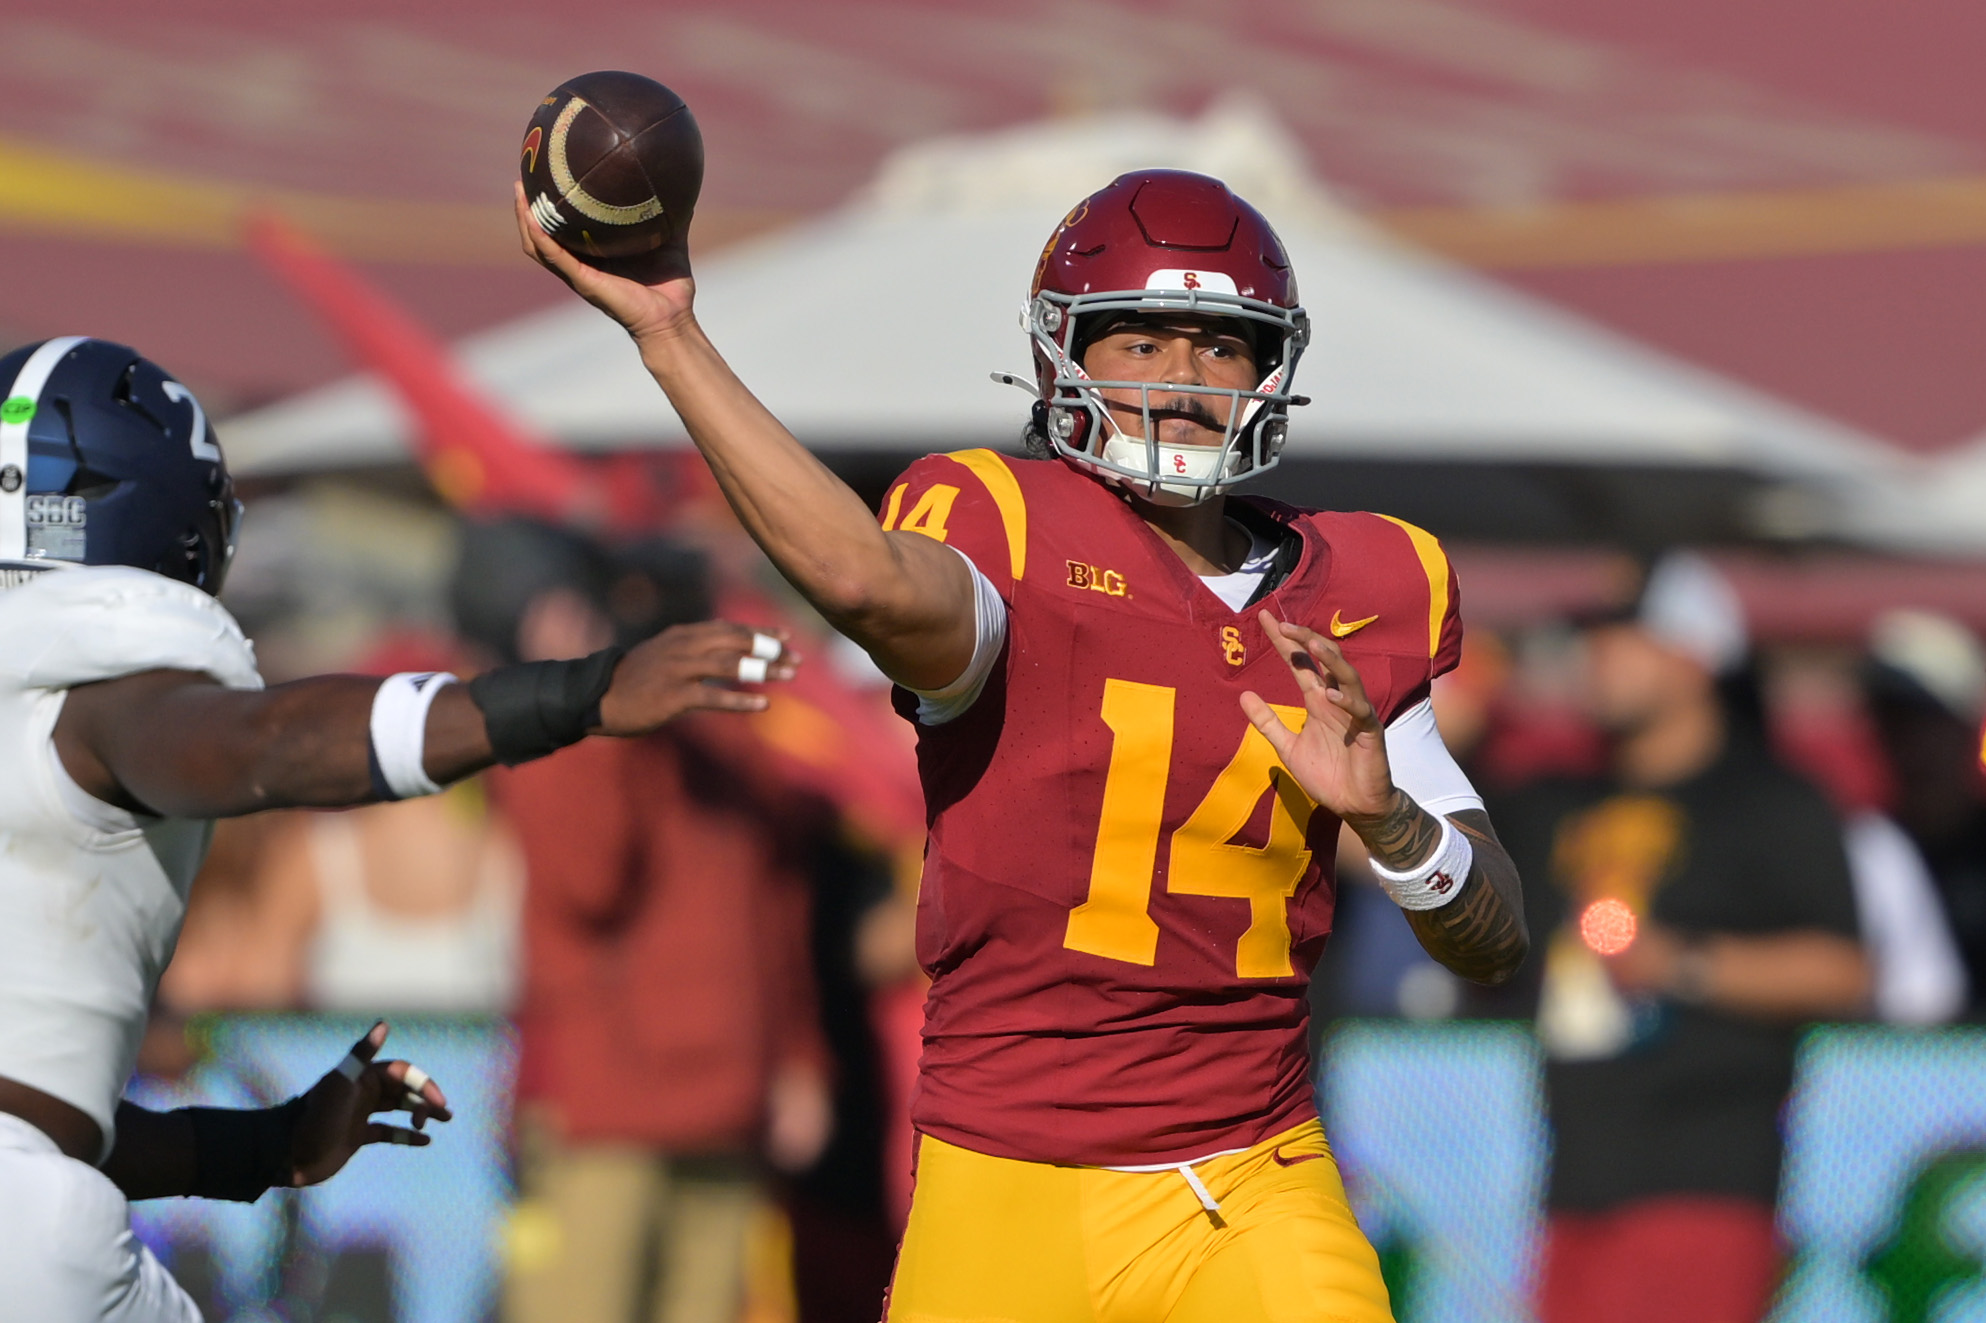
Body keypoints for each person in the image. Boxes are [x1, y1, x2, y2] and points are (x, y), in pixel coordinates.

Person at [518, 169, 1528, 1321]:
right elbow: (861, 577)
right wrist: (670, 337)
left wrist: (1392, 824)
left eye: (1220, 346)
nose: (1184, 383)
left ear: (1271, 369)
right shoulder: (1002, 524)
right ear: (1064, 357)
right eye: (1139, 343)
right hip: (1007, 1180)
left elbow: (1491, 939)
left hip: (1254, 1177)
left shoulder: (1368, 584)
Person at [0, 336, 796, 1321]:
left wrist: (268, 1147)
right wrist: (579, 691)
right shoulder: (100, 701)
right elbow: (274, 744)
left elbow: (40, 1114)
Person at [1489, 553, 1869, 1323]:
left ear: (1695, 652)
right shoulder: (1554, 801)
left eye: (1624, 637)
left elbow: (1843, 969)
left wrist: (1682, 962)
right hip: (1570, 1179)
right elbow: (1421, 859)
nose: (1597, 657)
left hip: (1703, 1180)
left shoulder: (1771, 803)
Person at [474, 520, 833, 1323]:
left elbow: (774, 912)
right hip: (600, 1111)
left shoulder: (731, 746)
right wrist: (590, 705)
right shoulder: (556, 730)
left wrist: (800, 1058)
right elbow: (586, 881)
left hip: (726, 1101)